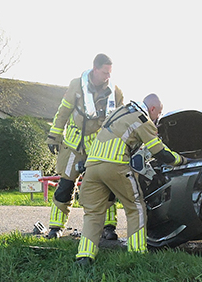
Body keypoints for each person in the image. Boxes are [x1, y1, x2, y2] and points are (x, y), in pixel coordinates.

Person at [75, 93, 184, 264]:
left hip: (92, 166)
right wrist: (181, 160)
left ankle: (84, 256)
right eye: (159, 113)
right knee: (136, 208)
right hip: (115, 166)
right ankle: (137, 253)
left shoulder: (119, 111)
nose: (159, 117)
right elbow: (159, 151)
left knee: (93, 213)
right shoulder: (142, 119)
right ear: (153, 109)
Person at [45, 54, 123, 239]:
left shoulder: (116, 92)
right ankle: (56, 227)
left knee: (106, 185)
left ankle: (108, 227)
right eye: (105, 72)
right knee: (65, 185)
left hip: (100, 147)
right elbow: (63, 111)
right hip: (74, 144)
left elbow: (120, 120)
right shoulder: (76, 86)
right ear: (95, 69)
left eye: (110, 73)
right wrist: (53, 136)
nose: (108, 77)